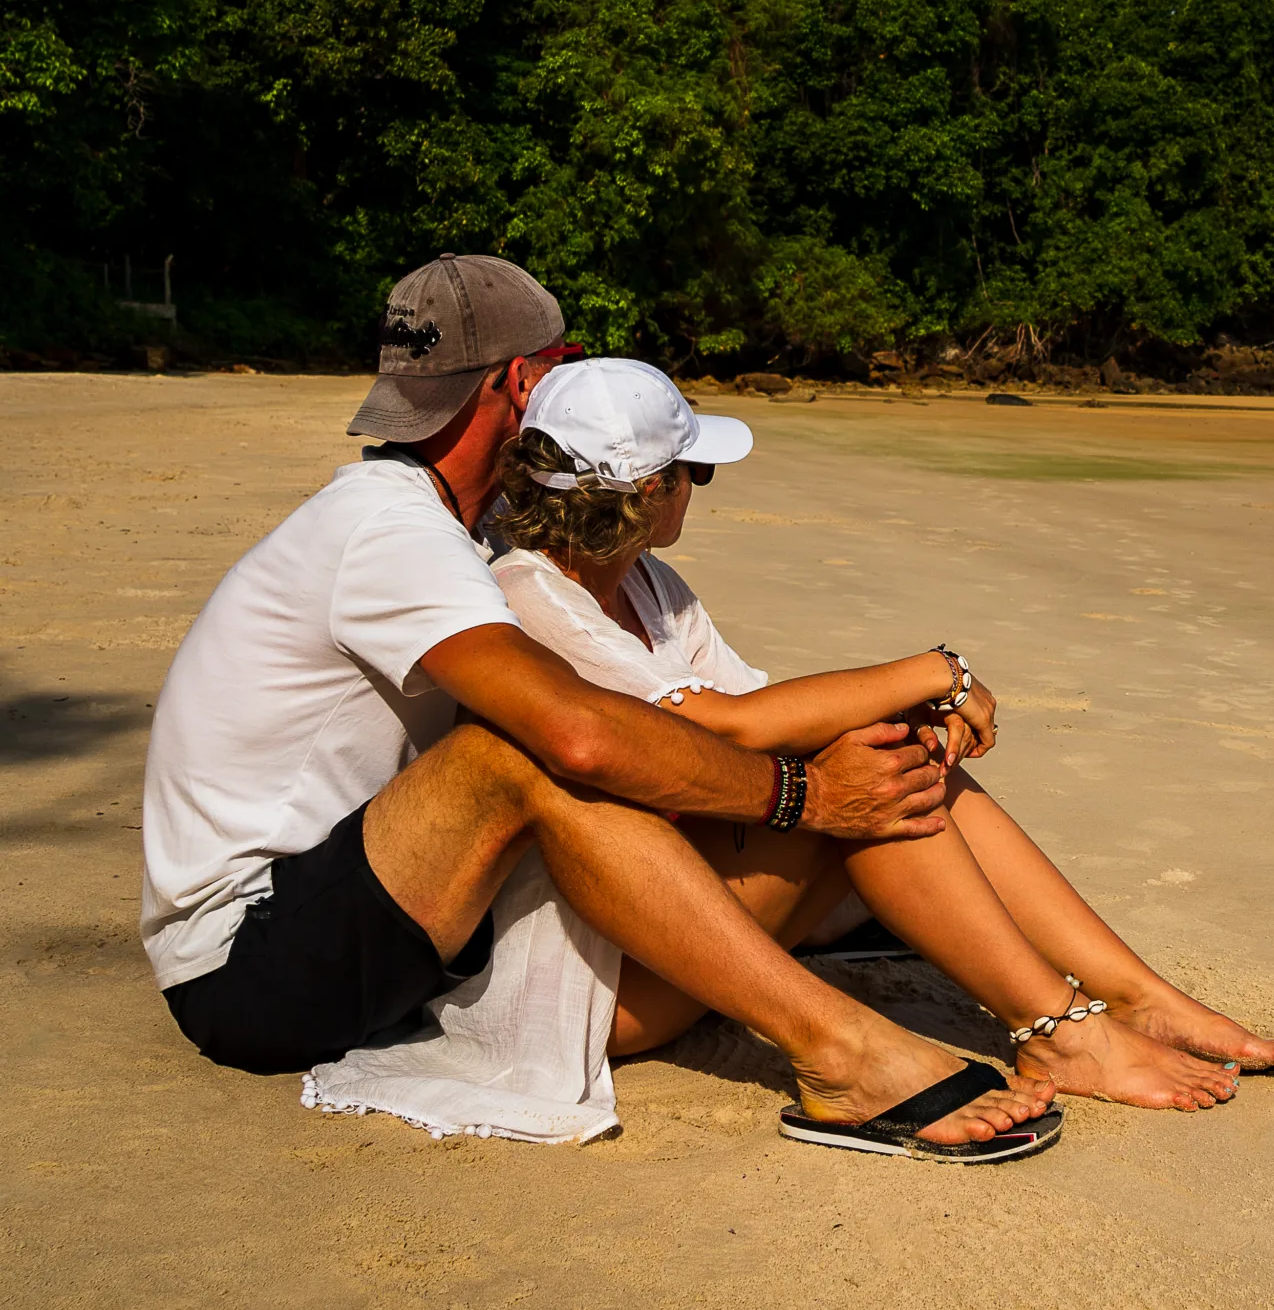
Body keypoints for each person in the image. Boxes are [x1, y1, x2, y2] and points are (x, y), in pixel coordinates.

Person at [141, 254, 1057, 1163]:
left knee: (591, 740)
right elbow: (578, 735)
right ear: (521, 381)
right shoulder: (390, 529)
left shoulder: (452, 523)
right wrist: (806, 798)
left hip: (364, 906)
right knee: (520, 748)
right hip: (249, 963)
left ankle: (1076, 1008)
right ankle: (843, 1051)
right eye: (562, 362)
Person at [476, 356, 1274, 1110]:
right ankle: (1061, 1032)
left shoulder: (649, 583)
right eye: (696, 469)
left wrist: (904, 719)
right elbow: (726, 723)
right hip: (599, 986)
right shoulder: (532, 598)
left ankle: (1133, 995)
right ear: (652, 489)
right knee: (874, 787)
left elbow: (768, 723)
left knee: (889, 758)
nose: (702, 485)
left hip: (684, 924)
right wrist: (933, 672)